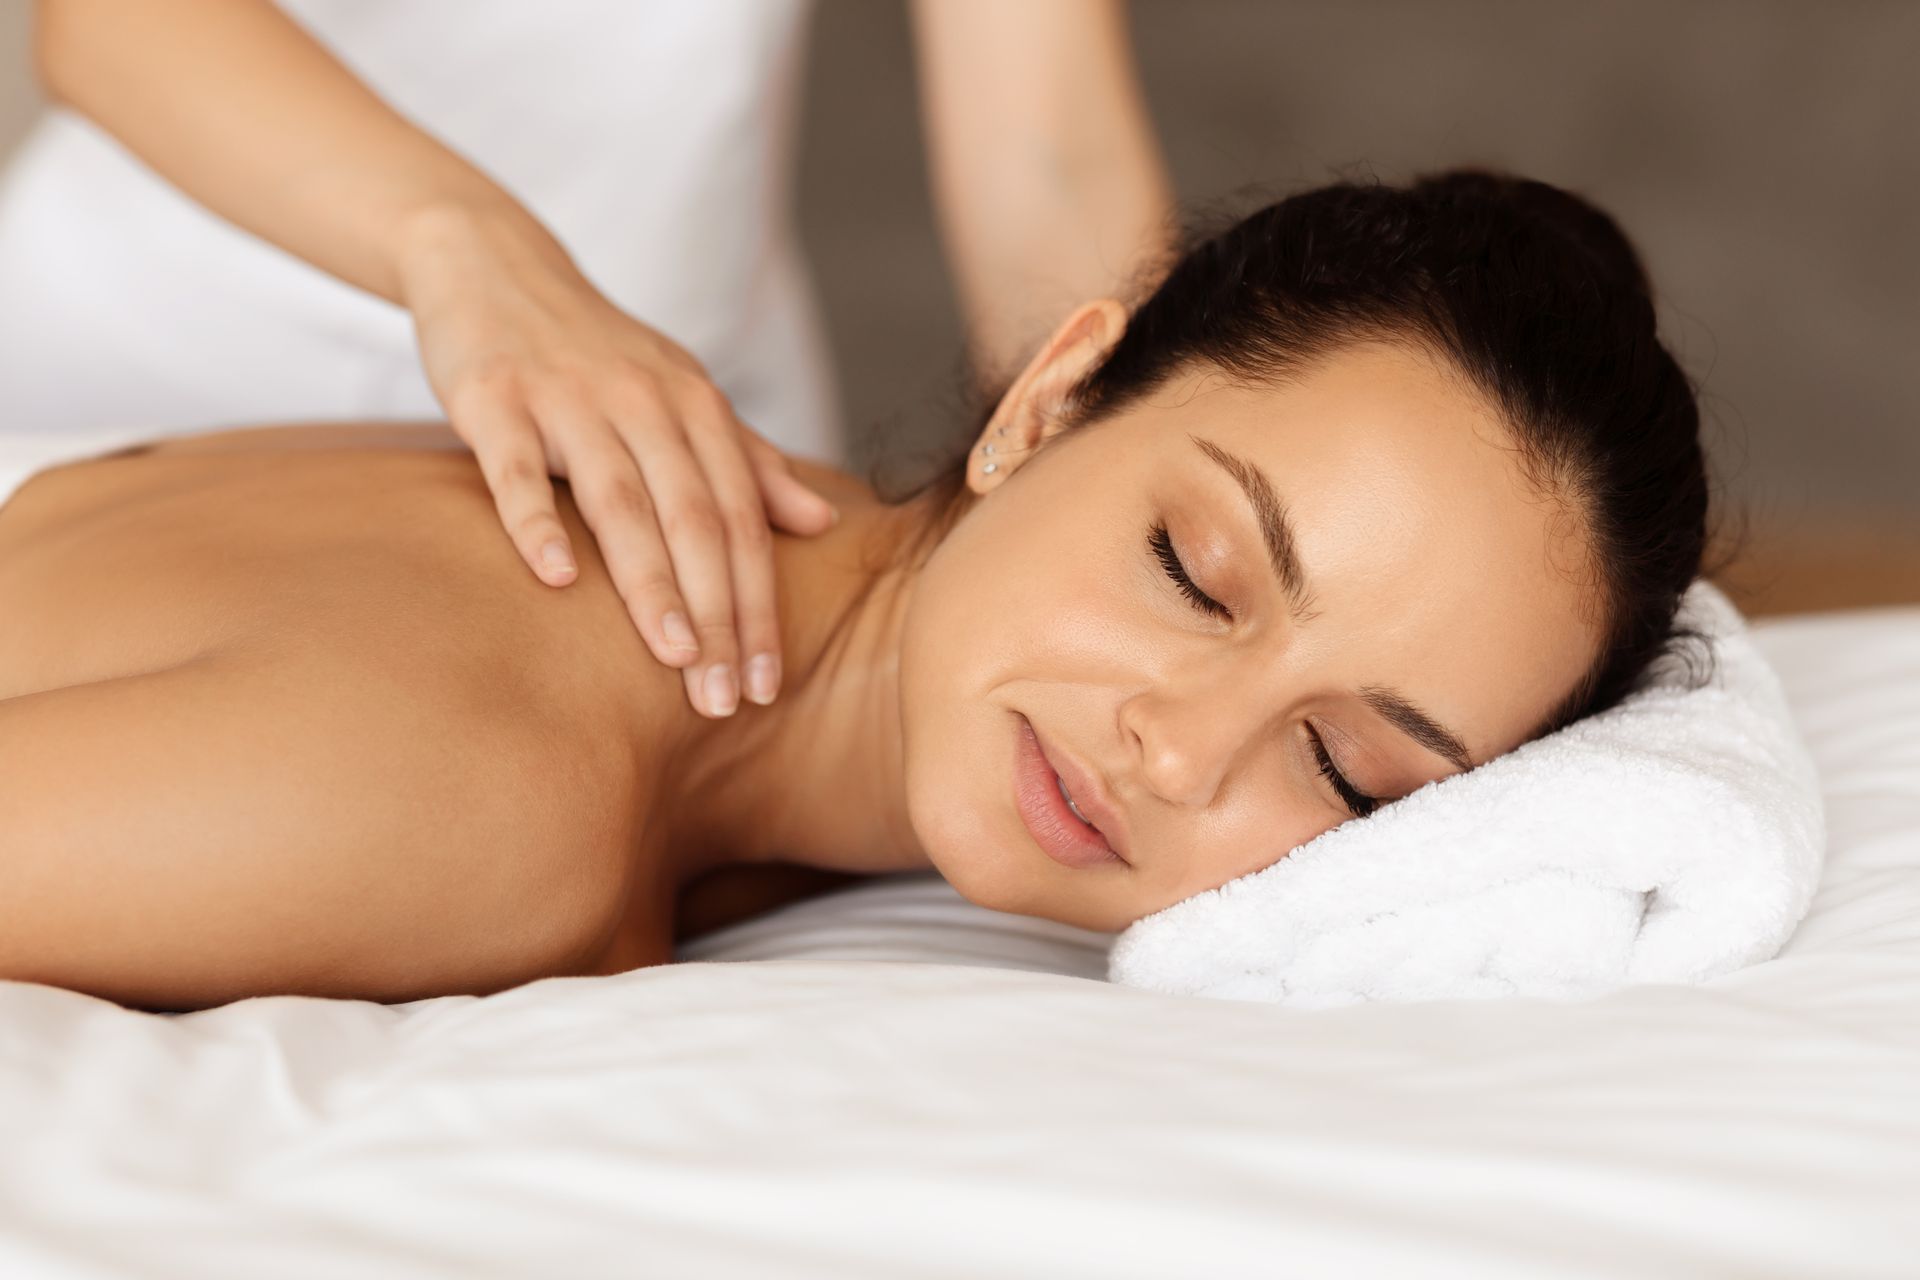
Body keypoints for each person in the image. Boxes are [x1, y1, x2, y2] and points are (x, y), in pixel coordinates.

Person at [0, 171, 1711, 1013]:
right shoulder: (481, 811)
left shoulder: (786, 541)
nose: (1178, 754)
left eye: (1350, 774)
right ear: (1045, 403)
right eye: (1196, 575)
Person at [0, 0, 1175, 718]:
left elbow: (1048, 153)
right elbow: (102, 14)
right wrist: (468, 250)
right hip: (154, 365)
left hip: (678, 423)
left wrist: (1139, 503)